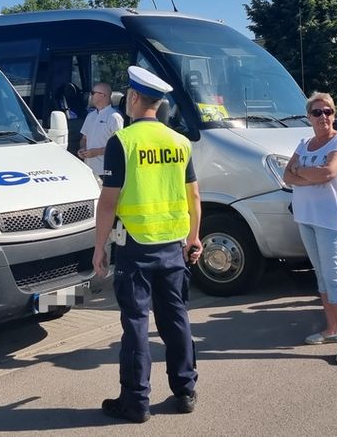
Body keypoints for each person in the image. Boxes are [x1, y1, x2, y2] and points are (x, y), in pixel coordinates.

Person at [92, 66, 202, 423]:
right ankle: (185, 391)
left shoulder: (122, 142)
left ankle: (135, 402)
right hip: (173, 244)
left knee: (136, 324)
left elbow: (108, 202)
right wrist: (194, 236)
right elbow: (194, 198)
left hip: (136, 246)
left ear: (136, 99)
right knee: (176, 319)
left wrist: (99, 247)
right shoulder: (179, 142)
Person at [282, 92, 337, 364]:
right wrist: (305, 174)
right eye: (317, 112)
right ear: (309, 117)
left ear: (334, 114)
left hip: (330, 221)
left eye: (328, 111)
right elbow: (285, 175)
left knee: (335, 276)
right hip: (306, 217)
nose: (323, 116)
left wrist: (302, 173)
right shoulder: (304, 143)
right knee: (322, 276)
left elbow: (329, 172)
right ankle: (331, 327)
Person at [78, 82, 124, 179]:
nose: (91, 95)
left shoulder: (114, 117)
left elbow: (119, 146)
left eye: (93, 92)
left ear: (102, 96)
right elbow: (84, 138)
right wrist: (82, 149)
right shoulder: (90, 116)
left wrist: (97, 152)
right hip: (88, 169)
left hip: (106, 170)